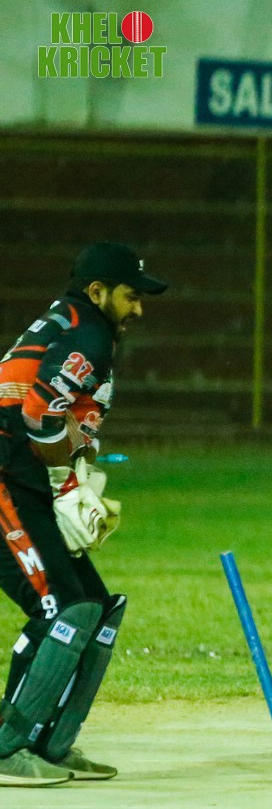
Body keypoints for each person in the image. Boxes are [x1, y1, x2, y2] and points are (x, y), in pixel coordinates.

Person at [0, 242, 167, 787]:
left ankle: (48, 744)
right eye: (130, 296)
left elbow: (74, 420)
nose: (138, 308)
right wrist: (61, 483)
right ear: (97, 291)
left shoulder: (81, 327)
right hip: (6, 478)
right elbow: (38, 414)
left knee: (93, 606)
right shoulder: (87, 333)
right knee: (60, 609)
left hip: (21, 476)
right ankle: (6, 747)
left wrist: (78, 479)